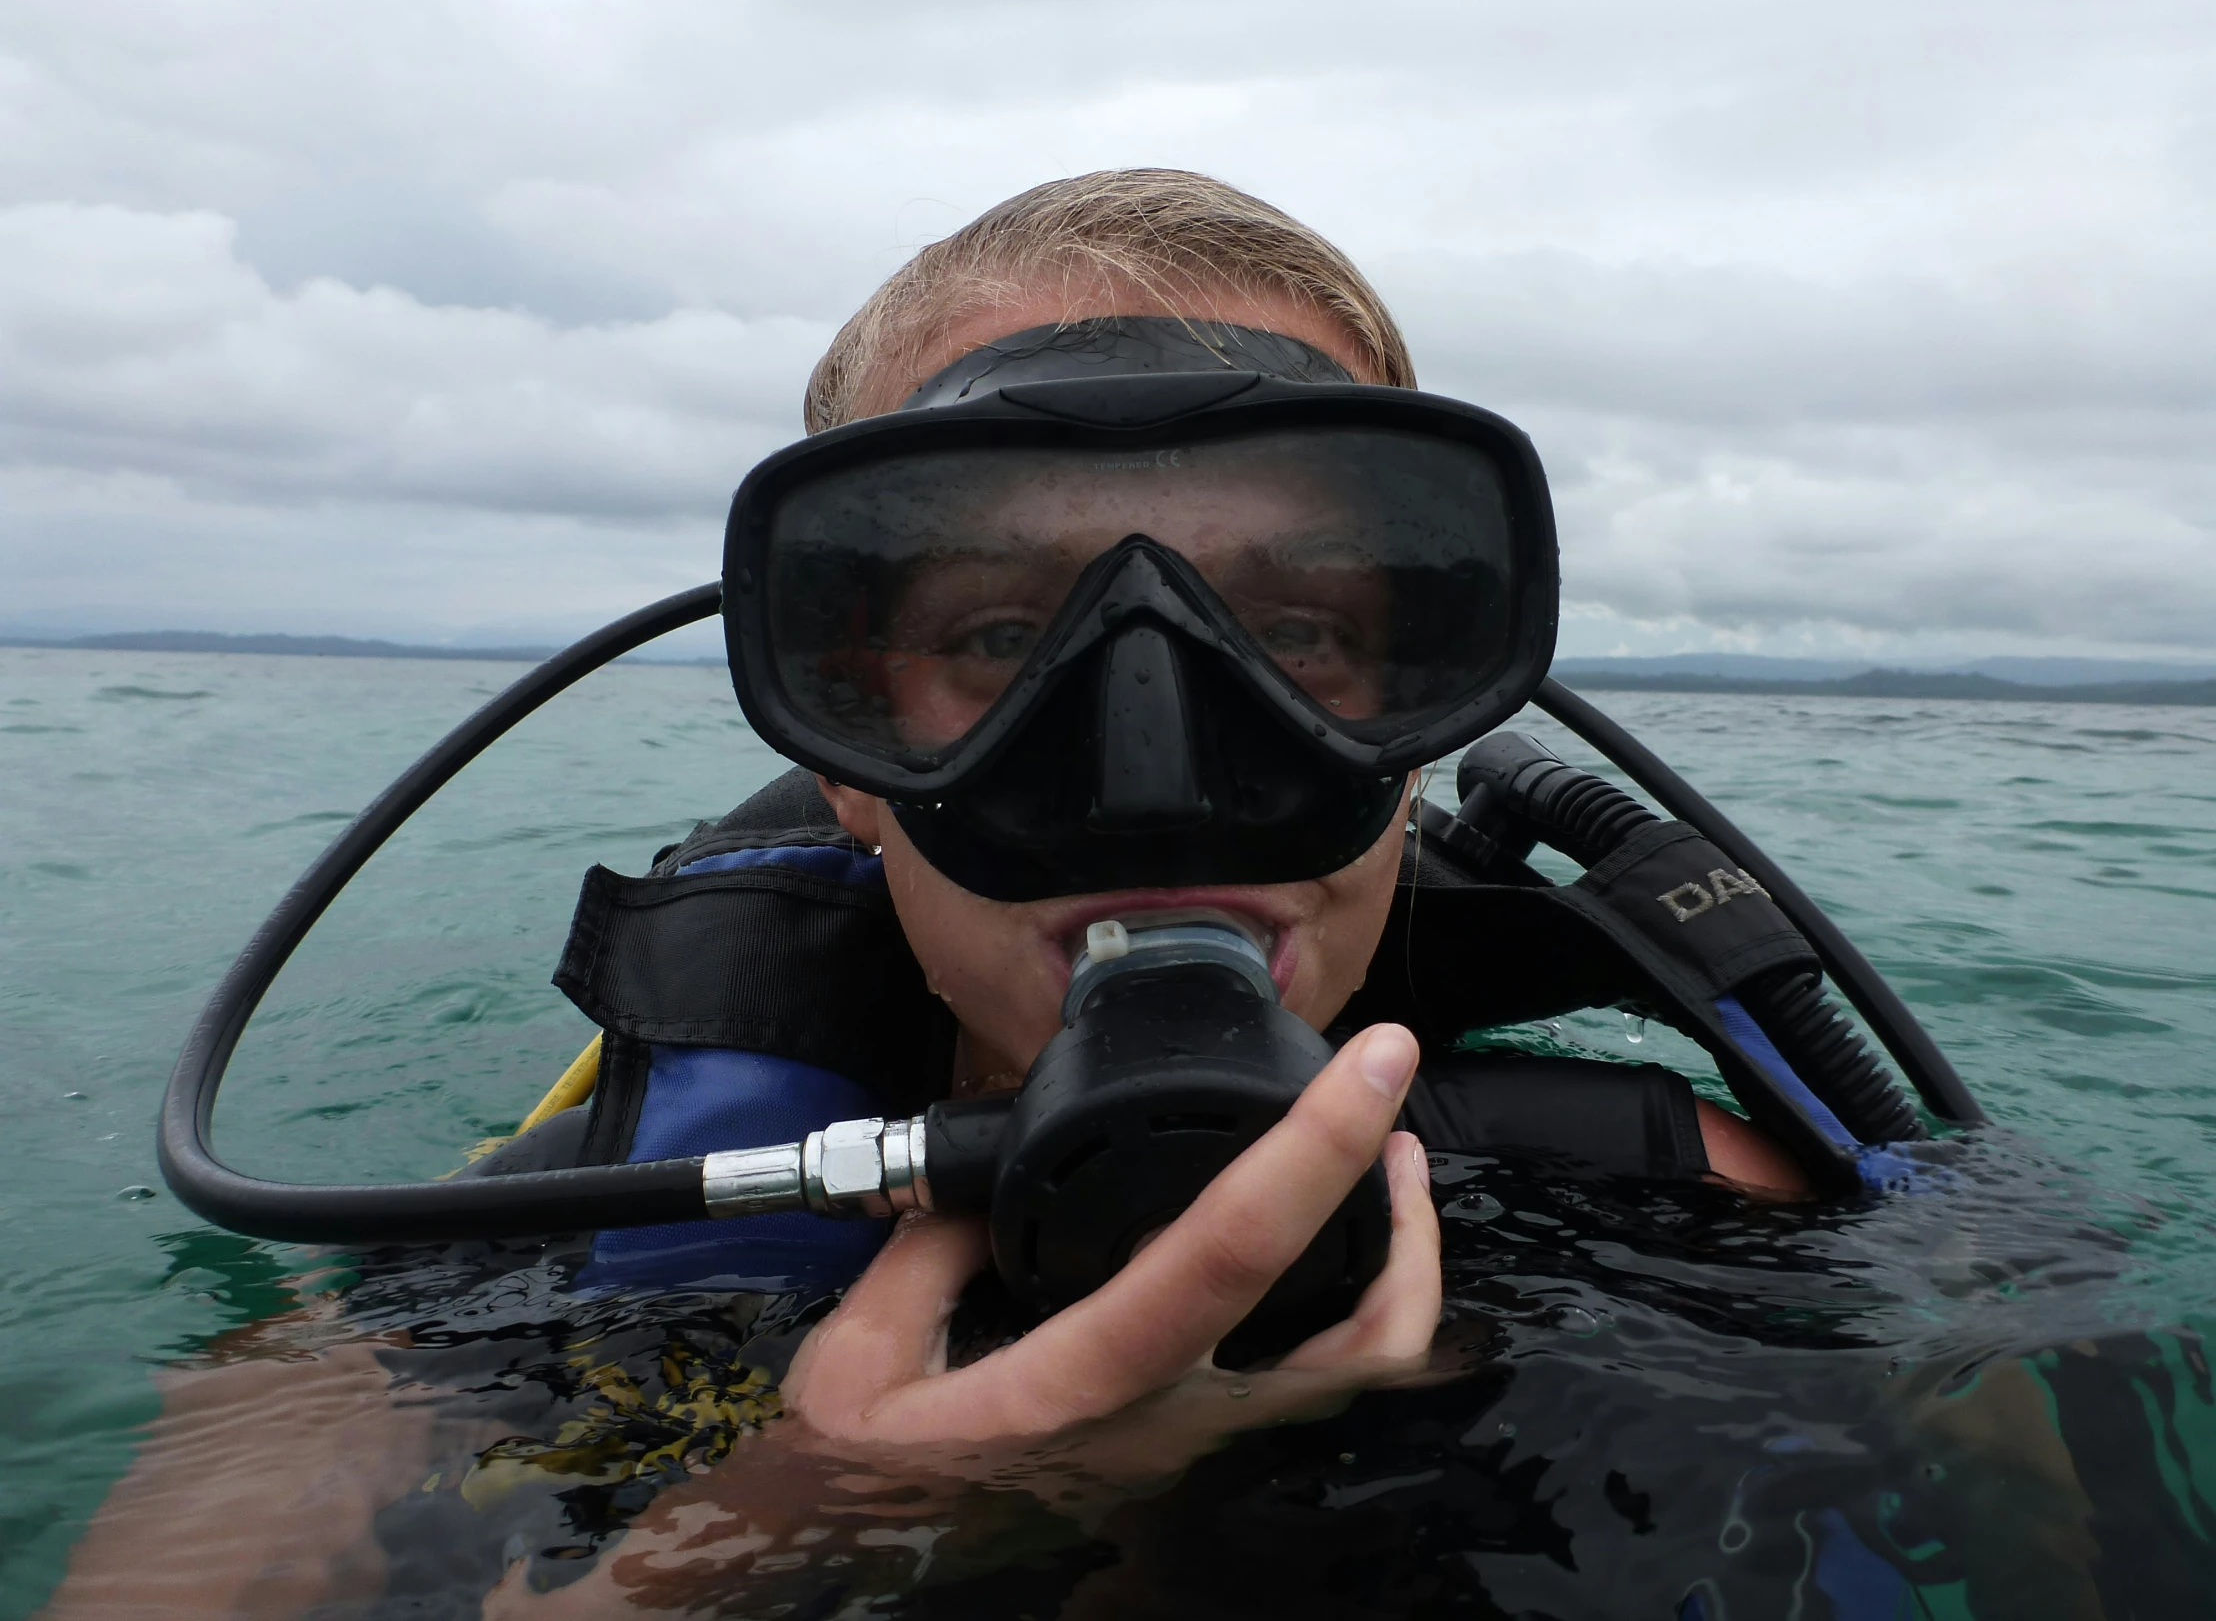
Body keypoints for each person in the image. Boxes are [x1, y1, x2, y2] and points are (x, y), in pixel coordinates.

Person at [42, 169, 1802, 1619]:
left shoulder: (1692, 1206)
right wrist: (792, 1519)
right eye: (993, 633)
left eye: (1295, 631)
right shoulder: (509, 1276)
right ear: (844, 756)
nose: (1151, 761)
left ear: (1421, 733)